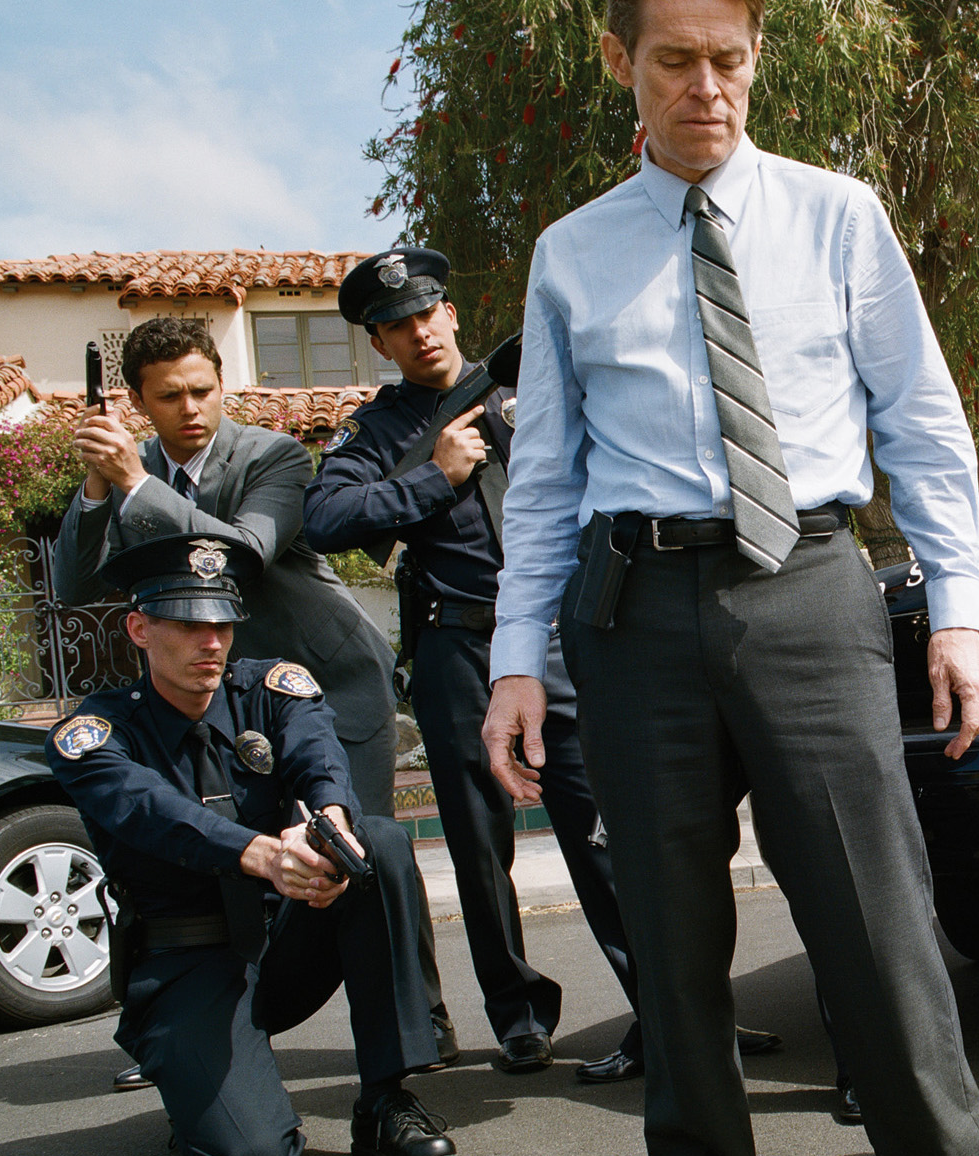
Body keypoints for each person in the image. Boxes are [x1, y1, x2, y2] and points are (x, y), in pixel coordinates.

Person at [482, 0, 979, 1156]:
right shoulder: (571, 254)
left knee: (877, 925)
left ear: (754, 57)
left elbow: (923, 421)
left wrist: (960, 613)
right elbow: (542, 477)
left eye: (728, 59)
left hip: (809, 588)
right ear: (621, 60)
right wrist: (515, 659)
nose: (705, 87)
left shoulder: (835, 216)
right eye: (674, 59)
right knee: (670, 947)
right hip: (634, 615)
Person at [302, 248, 782, 1079]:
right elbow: (325, 516)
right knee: (478, 843)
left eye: (427, 313)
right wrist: (433, 479)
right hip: (459, 647)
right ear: (378, 344)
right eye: (396, 326)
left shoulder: (527, 390)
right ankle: (519, 1016)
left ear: (450, 313)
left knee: (604, 831)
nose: (418, 333)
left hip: (562, 641)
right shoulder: (376, 431)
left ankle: (670, 1016)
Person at [60, 316, 423, 1090]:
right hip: (224, 698)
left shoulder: (272, 455)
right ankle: (200, 1028)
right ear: (139, 402)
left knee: (362, 852)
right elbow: (73, 584)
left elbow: (243, 554)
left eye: (203, 390)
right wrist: (97, 484)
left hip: (327, 683)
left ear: (222, 384)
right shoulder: (128, 465)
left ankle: (414, 1023)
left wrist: (135, 486)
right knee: (213, 858)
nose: (191, 408)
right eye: (170, 397)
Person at [45, 532, 462, 1156]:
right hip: (188, 964)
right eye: (187, 625)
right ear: (140, 629)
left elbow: (319, 758)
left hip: (282, 947)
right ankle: (205, 1094)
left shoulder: (270, 689)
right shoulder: (95, 737)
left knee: (375, 842)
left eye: (222, 624)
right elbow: (154, 812)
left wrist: (326, 825)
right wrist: (263, 854)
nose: (211, 642)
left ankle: (386, 1100)